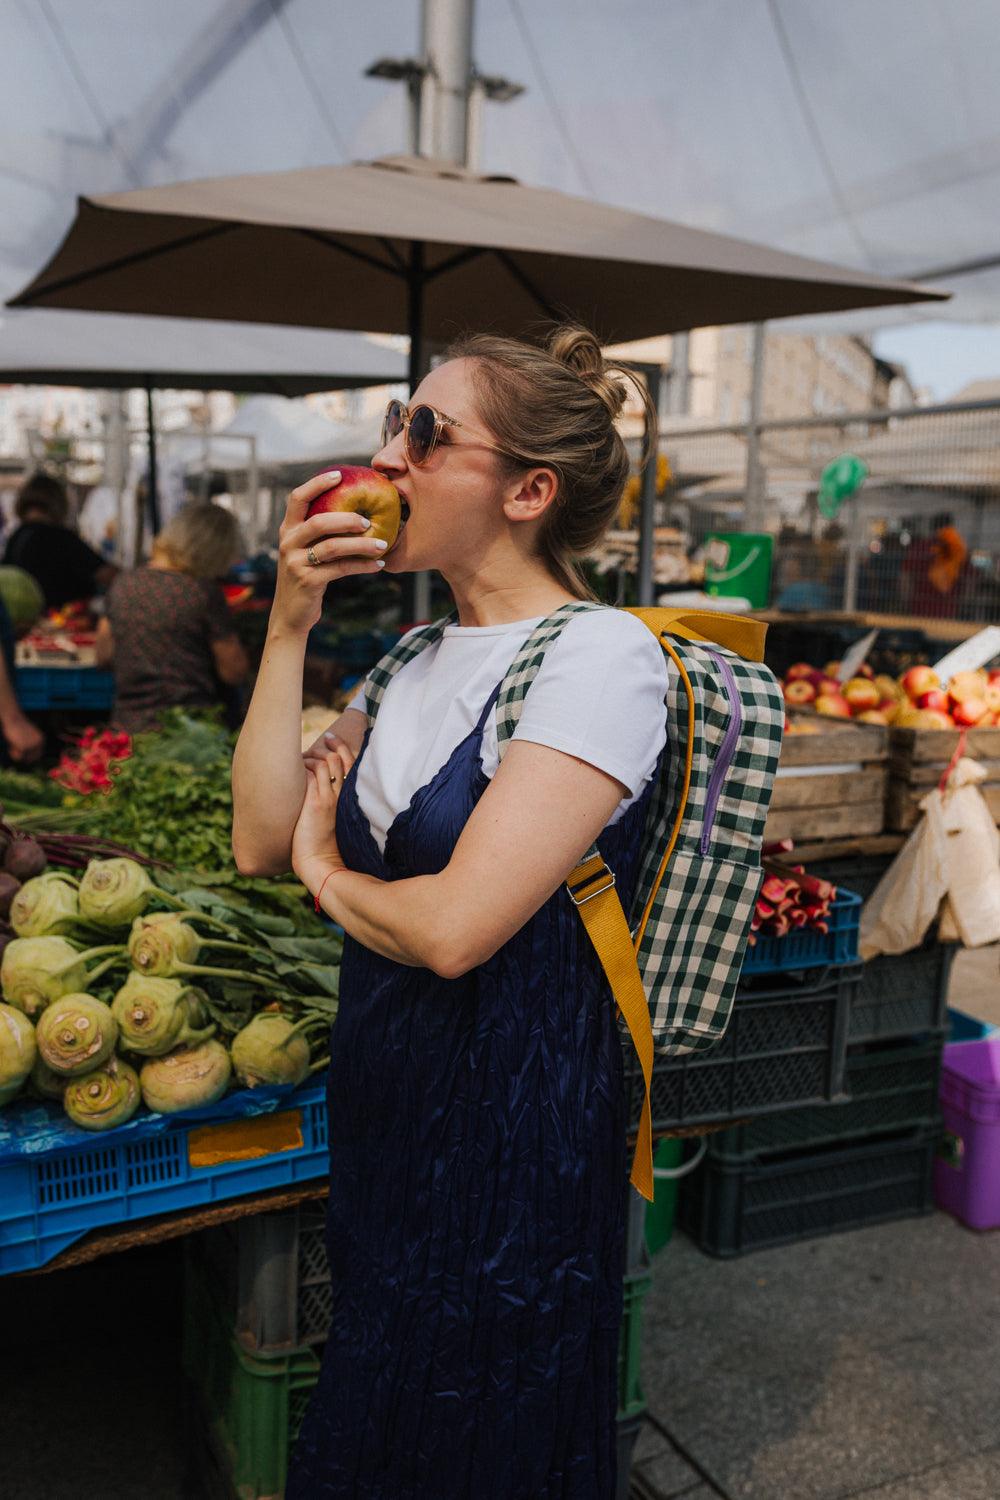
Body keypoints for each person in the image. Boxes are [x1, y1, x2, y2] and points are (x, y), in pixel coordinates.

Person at [232, 326, 668, 1499]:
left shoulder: (601, 660)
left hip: (515, 1135)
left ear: (530, 491)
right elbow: (260, 838)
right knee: (384, 1386)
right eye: (394, 421)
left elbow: (452, 928)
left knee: (486, 1419)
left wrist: (331, 875)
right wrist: (288, 621)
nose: (390, 453)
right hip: (392, 1102)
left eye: (425, 432)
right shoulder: (412, 658)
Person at [95, 502, 249, 732]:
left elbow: (103, 655)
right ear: (215, 550)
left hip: (127, 727)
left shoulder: (123, 583)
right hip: (190, 732)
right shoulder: (202, 592)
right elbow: (233, 671)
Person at [3, 470, 116, 608]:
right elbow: (107, 574)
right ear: (58, 502)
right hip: (65, 619)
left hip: (24, 622)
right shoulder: (61, 537)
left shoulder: (16, 537)